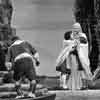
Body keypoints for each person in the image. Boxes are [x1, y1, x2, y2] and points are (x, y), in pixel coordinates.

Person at [56, 23, 92, 90]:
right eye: (75, 28)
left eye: (77, 28)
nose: (76, 29)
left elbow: (84, 43)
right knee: (67, 72)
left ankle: (83, 85)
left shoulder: (83, 35)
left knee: (82, 70)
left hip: (79, 57)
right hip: (71, 58)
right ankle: (66, 85)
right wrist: (73, 43)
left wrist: (77, 43)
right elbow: (67, 45)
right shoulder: (69, 36)